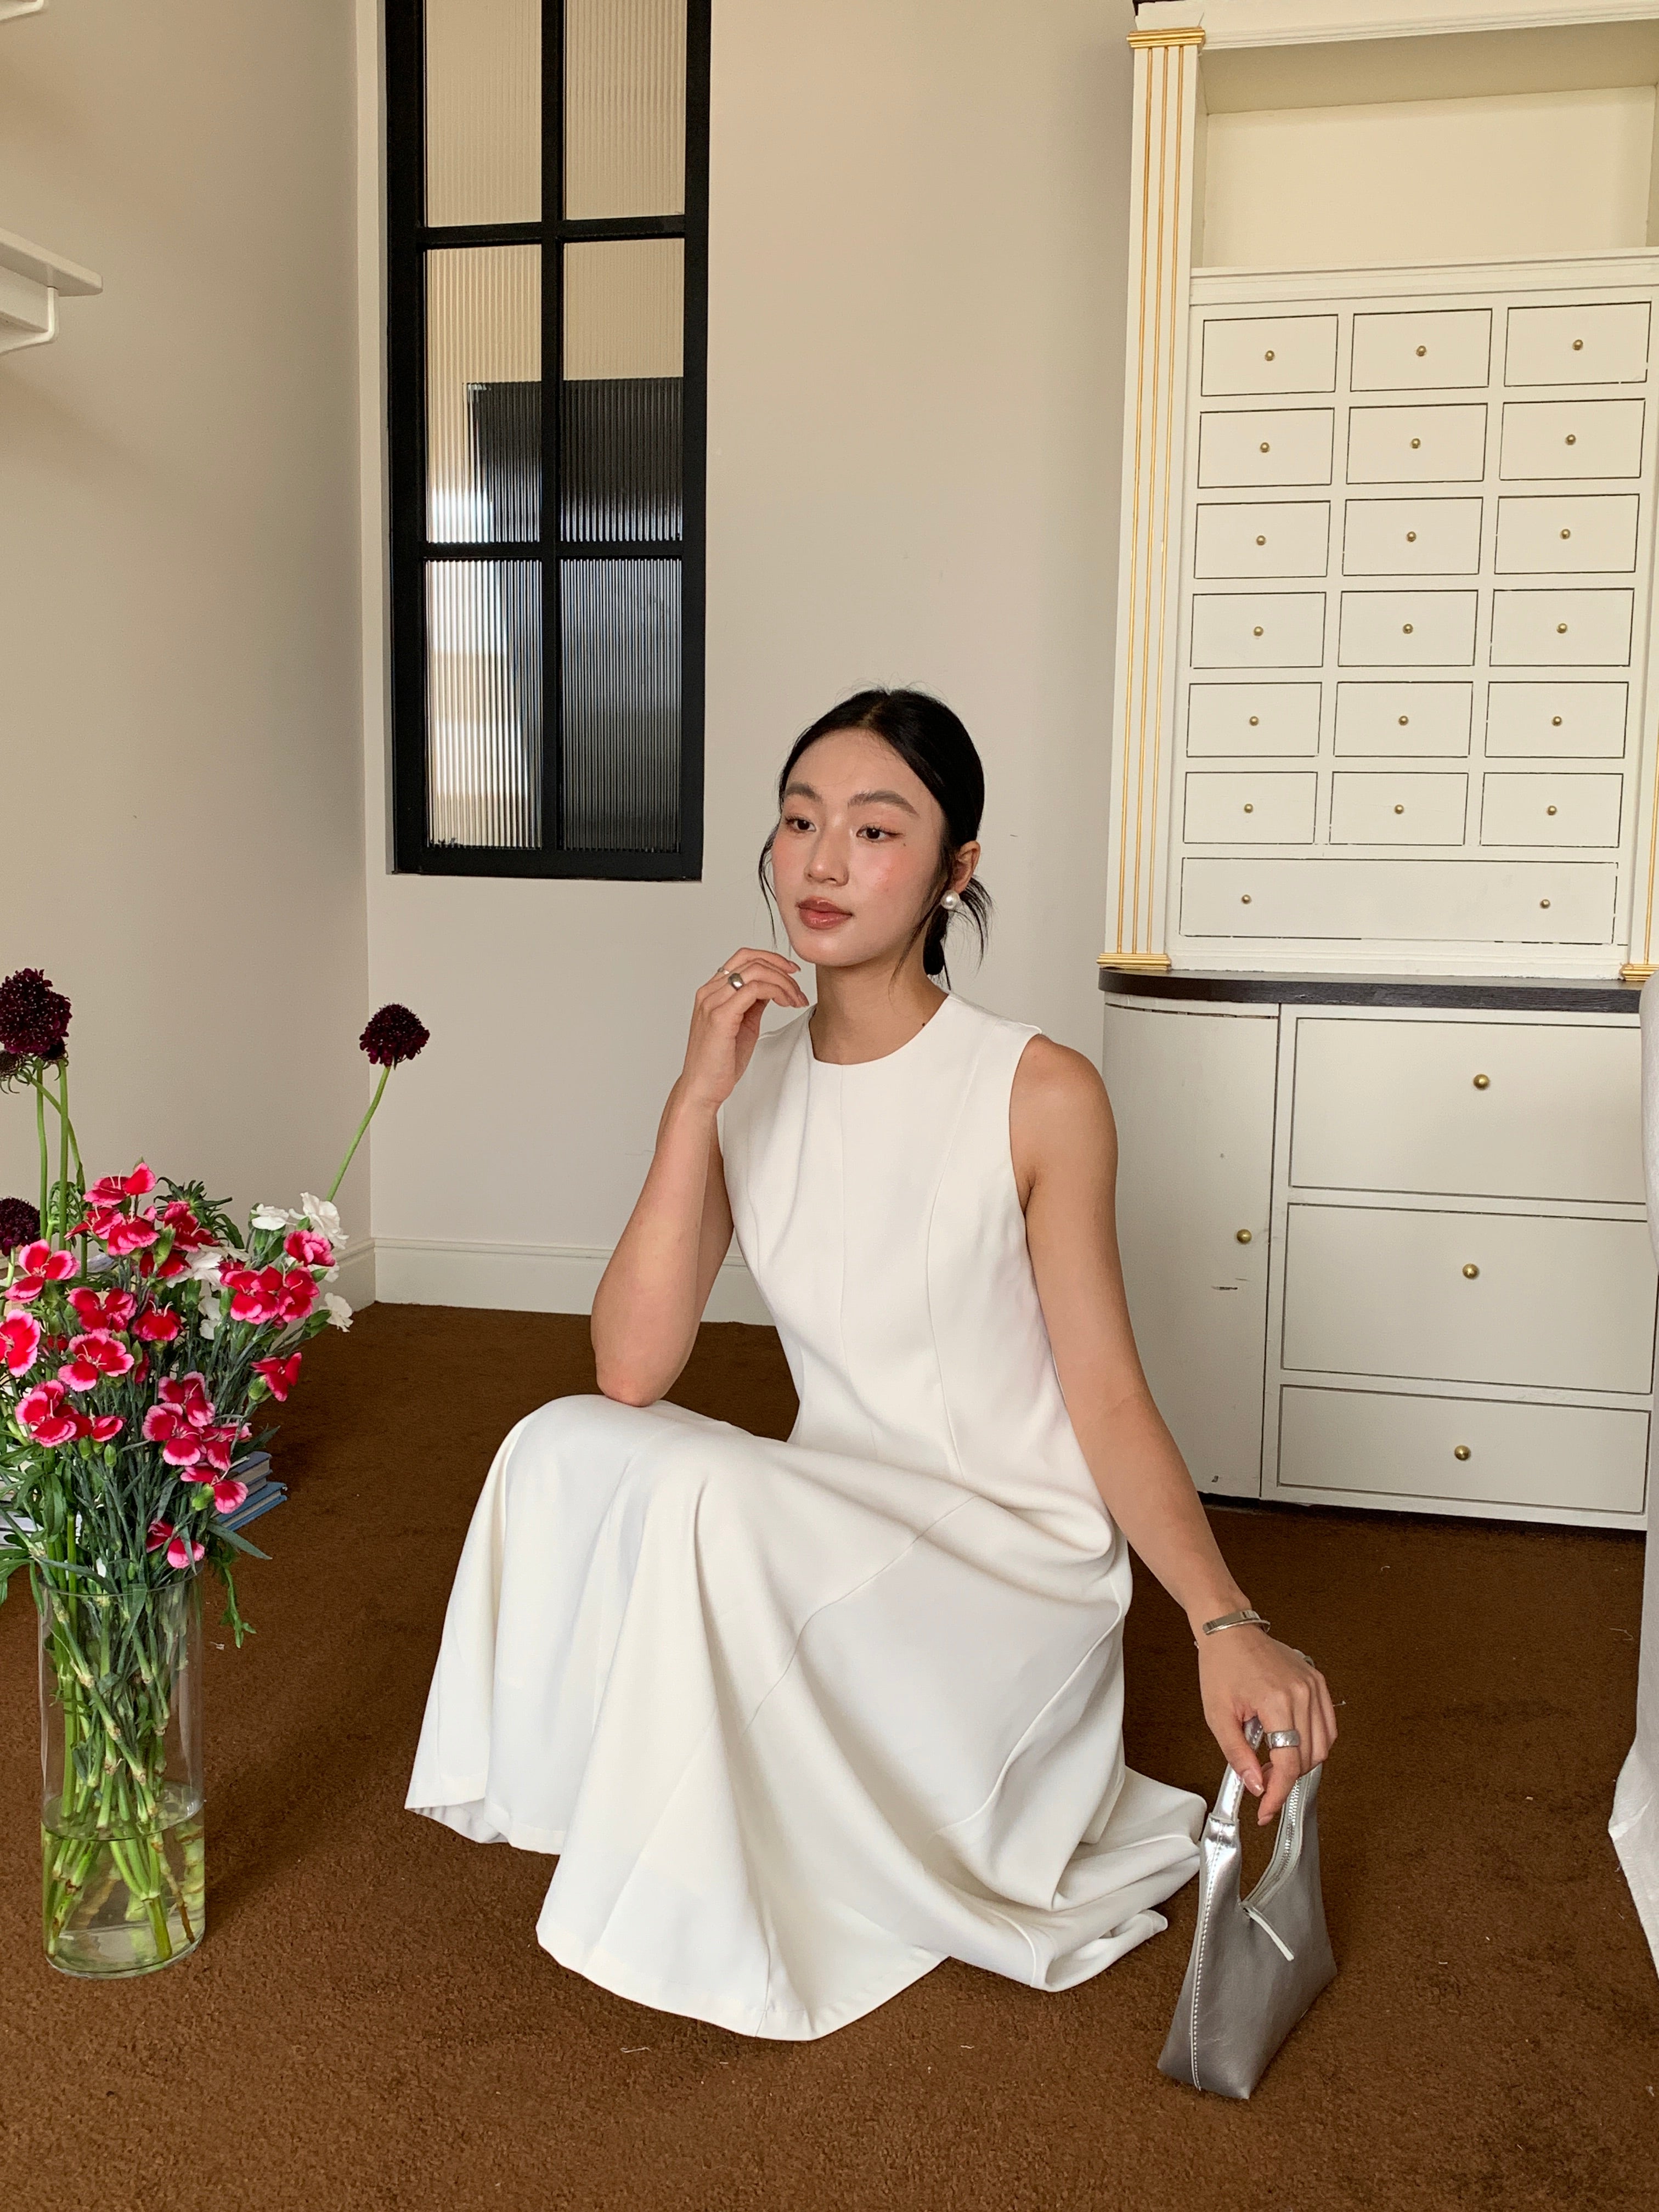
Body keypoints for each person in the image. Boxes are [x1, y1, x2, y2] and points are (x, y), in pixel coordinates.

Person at [407, 687, 1338, 2041]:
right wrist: (695, 1097)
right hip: (840, 1514)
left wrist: (1223, 1622)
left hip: (1004, 1561)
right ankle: (592, 1805)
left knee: (709, 1494)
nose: (824, 862)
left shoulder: (1038, 1090)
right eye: (801, 823)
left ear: (956, 870)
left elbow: (1106, 1392)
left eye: (877, 829)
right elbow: (630, 1370)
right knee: (558, 1439)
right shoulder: (752, 1084)